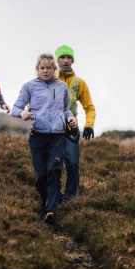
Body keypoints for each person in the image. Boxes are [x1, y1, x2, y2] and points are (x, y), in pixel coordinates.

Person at [11, 53, 76, 222]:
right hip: (37, 137)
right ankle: (45, 201)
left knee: (54, 171)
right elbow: (15, 108)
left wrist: (70, 118)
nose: (45, 71)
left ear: (54, 69)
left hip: (57, 136)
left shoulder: (62, 87)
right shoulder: (29, 87)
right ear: (37, 69)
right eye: (42, 68)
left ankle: (51, 209)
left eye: (49, 68)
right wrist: (22, 112)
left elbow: (65, 109)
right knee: (41, 175)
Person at [55, 45, 96, 201]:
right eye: (62, 57)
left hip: (71, 130)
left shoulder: (79, 83)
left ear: (72, 60)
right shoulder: (49, 78)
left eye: (68, 57)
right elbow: (34, 100)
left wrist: (88, 125)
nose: (66, 61)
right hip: (51, 130)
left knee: (72, 164)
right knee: (53, 165)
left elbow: (89, 107)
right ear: (57, 60)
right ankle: (53, 194)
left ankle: (71, 199)